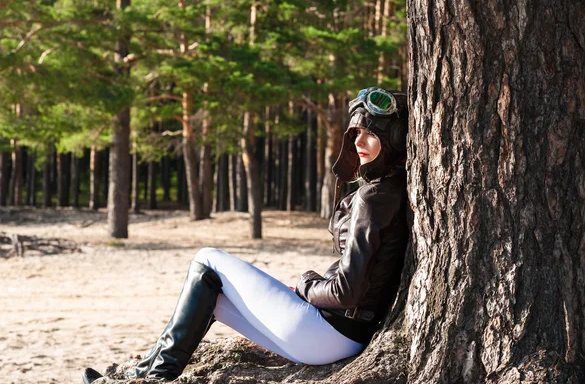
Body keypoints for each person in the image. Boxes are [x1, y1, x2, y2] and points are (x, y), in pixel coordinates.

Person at [82, 87, 410, 384]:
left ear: (394, 138)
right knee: (211, 295)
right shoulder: (387, 190)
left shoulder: (374, 198)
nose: (358, 142)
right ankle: (144, 376)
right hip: (339, 334)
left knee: (206, 260)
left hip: (329, 332)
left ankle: (156, 378)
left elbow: (346, 292)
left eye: (371, 134)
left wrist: (307, 284)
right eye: (356, 133)